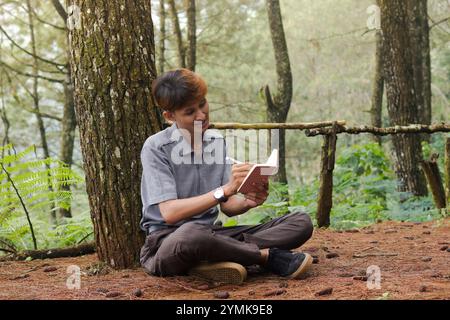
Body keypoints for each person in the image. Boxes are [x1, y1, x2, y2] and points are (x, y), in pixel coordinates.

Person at [139, 68, 314, 284]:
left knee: (300, 222)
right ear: (169, 116)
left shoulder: (216, 142)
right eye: (190, 112)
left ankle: (215, 258)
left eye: (202, 104)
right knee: (191, 234)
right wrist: (226, 190)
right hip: (168, 242)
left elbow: (227, 206)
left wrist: (248, 202)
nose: (202, 116)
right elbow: (169, 213)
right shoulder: (156, 147)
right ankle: (265, 257)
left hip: (213, 235)